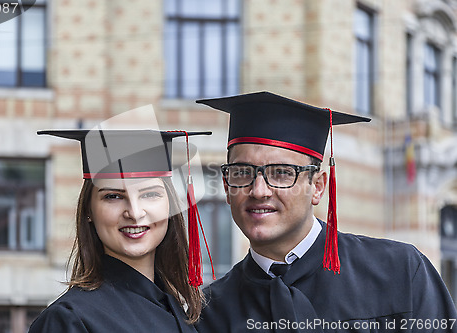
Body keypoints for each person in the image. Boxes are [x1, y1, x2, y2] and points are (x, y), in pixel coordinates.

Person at [195, 91, 457, 332]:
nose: (259, 190)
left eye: (282, 173)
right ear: (228, 187)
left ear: (318, 187)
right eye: (242, 173)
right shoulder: (210, 314)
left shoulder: (399, 273)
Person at [29, 129, 210, 333]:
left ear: (170, 206)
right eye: (113, 196)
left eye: (149, 194)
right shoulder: (68, 319)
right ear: (88, 209)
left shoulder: (181, 311)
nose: (134, 212)